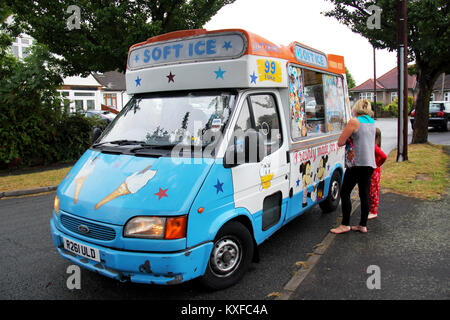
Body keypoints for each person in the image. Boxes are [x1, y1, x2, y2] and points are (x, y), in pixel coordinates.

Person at [331, 99, 376, 234]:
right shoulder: (372, 122)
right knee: (364, 194)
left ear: (356, 108)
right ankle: (362, 225)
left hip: (356, 164)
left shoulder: (354, 122)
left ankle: (345, 224)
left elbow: (340, 142)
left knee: (345, 192)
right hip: (369, 164)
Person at [368, 128, 387, 219]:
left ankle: (373, 211)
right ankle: (371, 208)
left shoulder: (374, 146)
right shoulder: (373, 145)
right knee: (370, 189)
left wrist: (378, 164)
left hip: (374, 170)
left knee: (373, 190)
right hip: (372, 169)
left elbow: (384, 156)